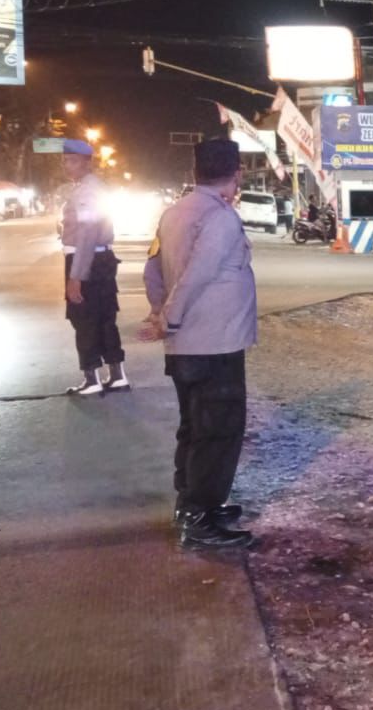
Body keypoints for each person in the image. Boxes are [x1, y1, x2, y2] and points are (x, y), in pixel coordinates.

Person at [139, 139, 258, 552]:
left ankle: (193, 504)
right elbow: (197, 275)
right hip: (214, 345)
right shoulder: (219, 218)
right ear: (237, 173)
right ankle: (199, 518)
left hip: (187, 347)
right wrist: (168, 319)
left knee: (195, 427)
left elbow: (152, 269)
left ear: (196, 171)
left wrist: (159, 311)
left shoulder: (173, 213)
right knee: (217, 432)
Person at [60, 138, 128, 395]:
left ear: (87, 163)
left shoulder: (87, 191)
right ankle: (117, 376)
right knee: (105, 318)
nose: (67, 165)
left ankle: (91, 379)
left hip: (85, 259)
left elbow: (87, 233)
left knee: (84, 319)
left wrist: (76, 275)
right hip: (101, 260)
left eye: (73, 161)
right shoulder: (94, 187)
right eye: (65, 161)